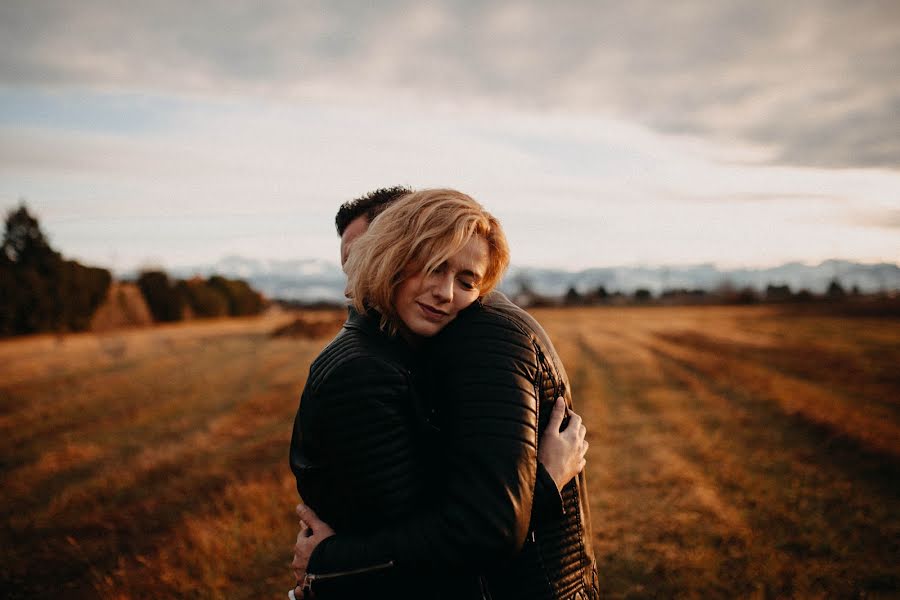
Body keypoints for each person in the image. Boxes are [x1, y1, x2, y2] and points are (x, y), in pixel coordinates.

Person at [289, 188, 597, 599]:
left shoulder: (397, 350)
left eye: (467, 280)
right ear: (391, 257)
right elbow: (450, 546)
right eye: (433, 268)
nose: (446, 293)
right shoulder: (365, 371)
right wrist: (544, 481)